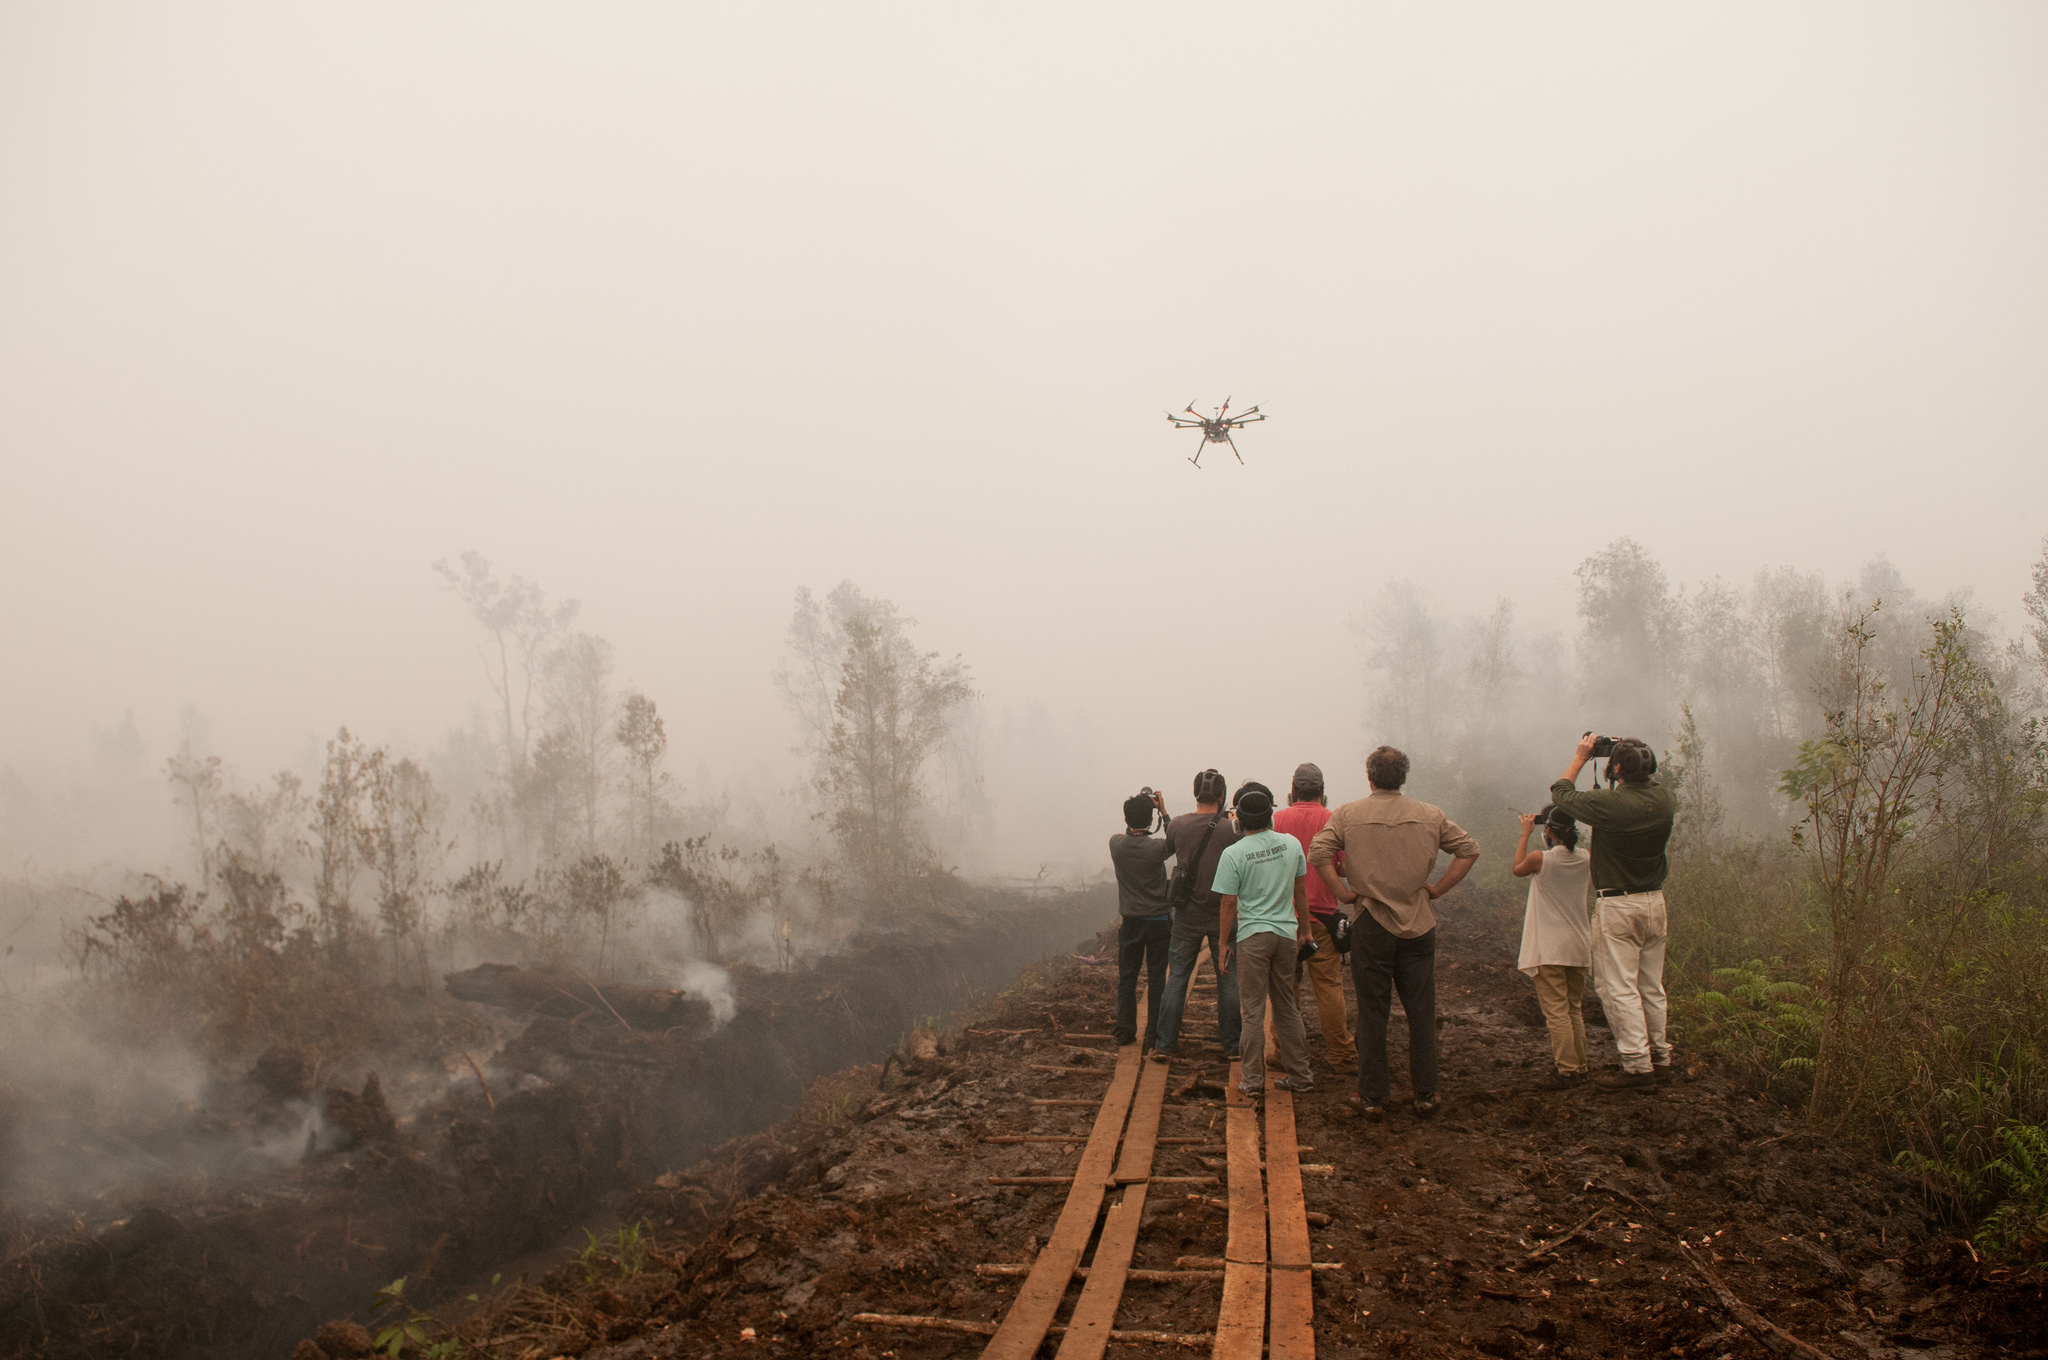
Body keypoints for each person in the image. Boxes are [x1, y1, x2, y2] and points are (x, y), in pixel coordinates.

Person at [1308, 746, 1479, 1120]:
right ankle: (1426, 1093)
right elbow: (1468, 849)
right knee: (1421, 1011)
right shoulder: (1430, 815)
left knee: (1372, 1012)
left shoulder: (1349, 814)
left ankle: (1371, 1095)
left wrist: (1343, 894)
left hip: (1370, 921)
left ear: (1370, 777)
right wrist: (1437, 889)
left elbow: (1318, 852)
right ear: (1403, 777)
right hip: (1419, 924)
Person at [1548, 733, 1678, 1093]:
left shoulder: (1610, 804)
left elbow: (1561, 794)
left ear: (1616, 767)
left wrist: (1580, 756)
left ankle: (1637, 1064)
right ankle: (1661, 1056)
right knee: (1651, 986)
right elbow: (1638, 786)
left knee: (1617, 987)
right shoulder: (1667, 799)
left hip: (1618, 904)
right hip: (1654, 901)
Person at [1212, 786, 1315, 1096]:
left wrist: (1222, 944)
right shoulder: (1292, 844)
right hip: (1285, 935)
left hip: (1253, 937)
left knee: (1253, 1011)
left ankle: (1253, 1081)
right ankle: (1301, 1075)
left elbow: (1229, 904)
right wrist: (1306, 931)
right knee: (1287, 1007)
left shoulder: (1233, 853)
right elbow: (1300, 892)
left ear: (1239, 821)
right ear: (1270, 815)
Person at [1271, 762, 1359, 1073]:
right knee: (1329, 988)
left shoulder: (1277, 819)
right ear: (1322, 791)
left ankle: (1284, 1053)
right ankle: (1341, 1054)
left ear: (1293, 790)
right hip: (1323, 918)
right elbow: (1347, 869)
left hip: (1283, 918)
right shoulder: (1333, 820)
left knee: (1284, 989)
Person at [1150, 769, 1243, 1062]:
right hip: (1223, 915)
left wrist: (1164, 814)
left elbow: (1171, 844)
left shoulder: (1178, 825)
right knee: (1228, 980)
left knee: (1177, 977)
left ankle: (1164, 1044)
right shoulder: (1232, 829)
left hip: (1187, 914)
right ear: (1221, 796)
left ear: (1195, 794)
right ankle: (1232, 1047)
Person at [1511, 805, 1594, 1088]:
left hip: (1550, 947)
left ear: (1548, 831)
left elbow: (1517, 869)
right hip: (1579, 944)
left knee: (1556, 1011)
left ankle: (1567, 1070)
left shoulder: (1540, 859)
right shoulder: (1586, 858)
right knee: (1573, 1008)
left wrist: (1524, 834)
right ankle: (1581, 1065)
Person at [1108, 789, 1176, 1048]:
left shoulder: (1116, 845)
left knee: (1128, 976)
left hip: (1131, 922)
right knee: (1157, 977)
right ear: (1150, 821)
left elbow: (1124, 834)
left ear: (1126, 820)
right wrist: (1164, 811)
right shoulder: (1158, 848)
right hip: (1159, 921)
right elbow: (1177, 839)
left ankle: (1124, 1030)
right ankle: (1154, 1034)